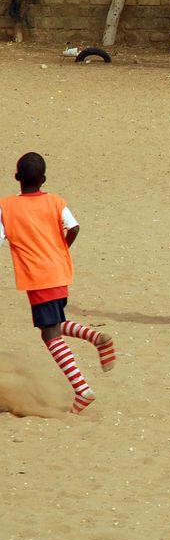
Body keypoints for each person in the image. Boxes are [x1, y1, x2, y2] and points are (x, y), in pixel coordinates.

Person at [0, 152, 116, 414]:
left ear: (17, 178)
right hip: (59, 271)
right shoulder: (55, 201)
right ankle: (96, 337)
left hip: (37, 277)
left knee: (49, 333)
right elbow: (74, 227)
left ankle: (81, 389)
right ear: (44, 179)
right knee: (55, 322)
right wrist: (61, 248)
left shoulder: (6, 206)